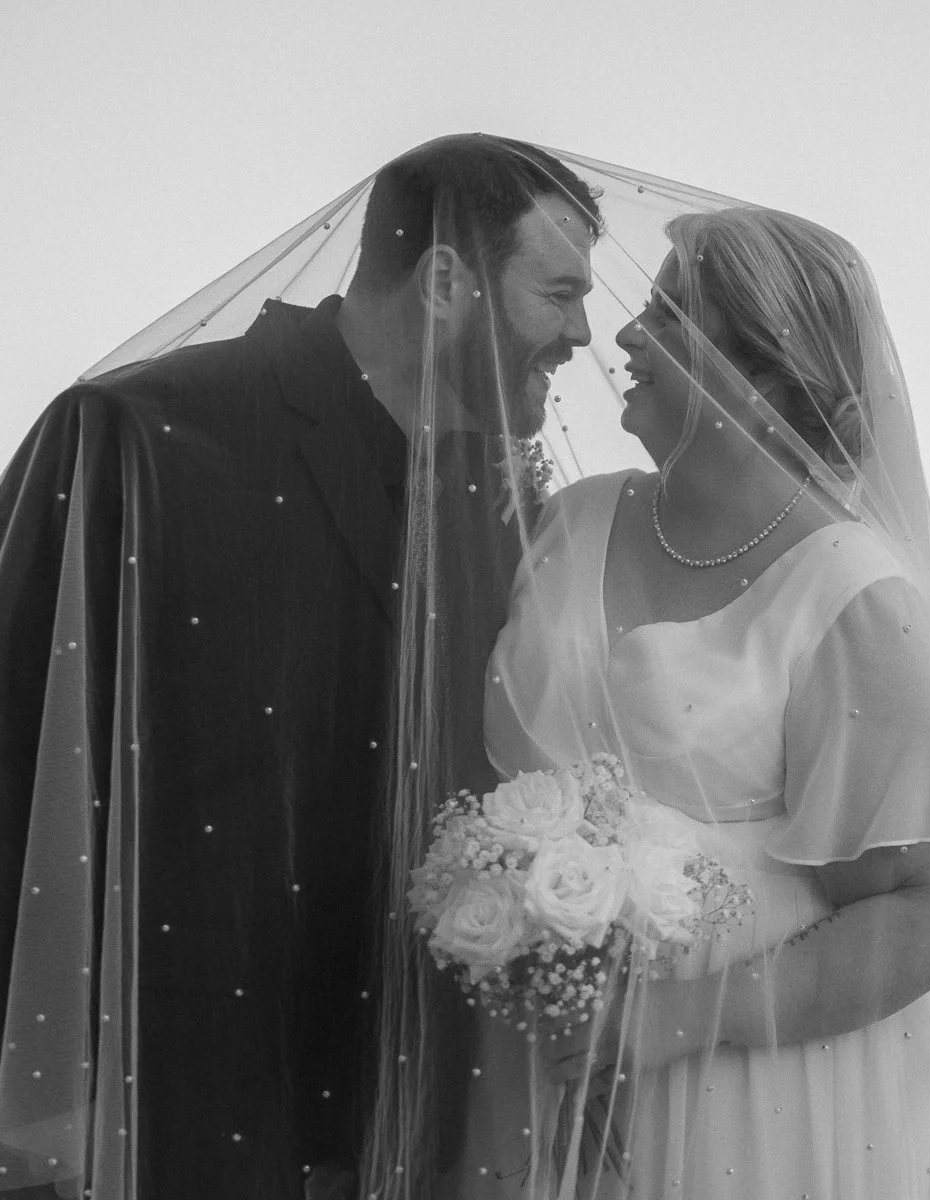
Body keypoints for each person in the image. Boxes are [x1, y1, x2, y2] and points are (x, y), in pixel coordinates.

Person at [0, 134, 599, 1199]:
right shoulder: (138, 435)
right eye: (557, 294)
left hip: (412, 1127)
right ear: (449, 281)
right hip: (150, 1117)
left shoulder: (507, 511)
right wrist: (40, 1103)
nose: (582, 334)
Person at [468, 207, 930, 1198]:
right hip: (538, 1064)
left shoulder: (852, 592)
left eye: (672, 318)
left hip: (752, 1096)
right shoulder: (573, 521)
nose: (627, 335)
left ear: (762, 382)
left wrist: (675, 1019)